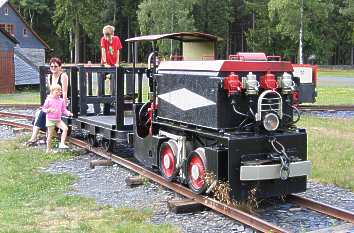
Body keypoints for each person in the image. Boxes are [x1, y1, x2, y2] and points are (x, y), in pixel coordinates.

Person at [26, 57, 69, 146]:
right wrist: (47, 104)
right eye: (51, 66)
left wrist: (63, 107)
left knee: (42, 113)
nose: (53, 68)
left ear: (60, 67)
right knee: (40, 112)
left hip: (62, 101)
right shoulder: (49, 76)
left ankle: (33, 138)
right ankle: (36, 136)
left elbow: (64, 92)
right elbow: (51, 93)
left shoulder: (63, 76)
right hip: (54, 101)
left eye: (55, 66)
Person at [42, 84, 73, 153]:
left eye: (60, 92)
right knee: (50, 135)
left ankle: (62, 143)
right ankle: (48, 150)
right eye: (57, 92)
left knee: (65, 128)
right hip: (50, 120)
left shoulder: (61, 100)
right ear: (52, 92)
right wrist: (48, 110)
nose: (59, 93)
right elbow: (43, 108)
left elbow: (63, 109)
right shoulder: (48, 100)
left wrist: (68, 113)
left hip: (58, 120)